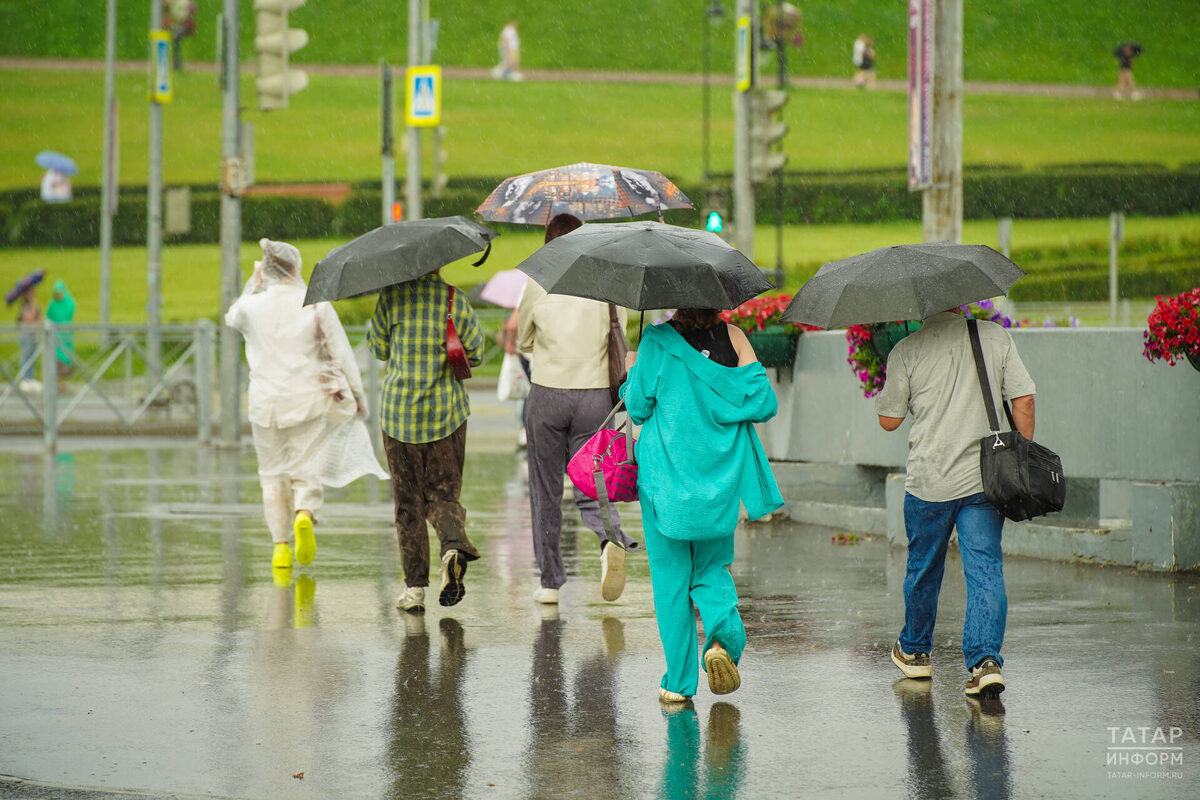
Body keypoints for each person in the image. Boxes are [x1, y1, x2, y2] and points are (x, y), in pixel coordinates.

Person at [620, 308, 783, 704]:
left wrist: (632, 370)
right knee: (711, 570)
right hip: (719, 487)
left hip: (665, 488)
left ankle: (678, 683)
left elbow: (638, 407)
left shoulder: (656, 342)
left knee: (671, 584)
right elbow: (762, 401)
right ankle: (722, 644)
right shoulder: (735, 338)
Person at [874, 307, 1037, 698]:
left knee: (923, 567)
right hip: (985, 480)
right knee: (984, 568)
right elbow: (1024, 401)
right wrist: (1023, 456)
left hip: (929, 481)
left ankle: (915, 652)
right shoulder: (993, 337)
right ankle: (985, 662)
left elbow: (889, 420)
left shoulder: (907, 350)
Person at [225, 238, 387, 572]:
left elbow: (232, 316)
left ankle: (280, 546)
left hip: (265, 404)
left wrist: (252, 286)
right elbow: (341, 353)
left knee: (271, 475)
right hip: (308, 399)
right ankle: (304, 513)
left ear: (266, 269)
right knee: (306, 467)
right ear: (296, 267)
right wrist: (357, 395)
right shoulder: (315, 304)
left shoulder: (252, 308)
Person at [517, 213, 637, 607]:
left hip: (548, 393)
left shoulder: (539, 281)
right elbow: (619, 333)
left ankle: (550, 582)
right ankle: (609, 540)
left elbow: (523, 340)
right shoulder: (604, 281)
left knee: (546, 489)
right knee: (595, 479)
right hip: (594, 397)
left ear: (549, 243)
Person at [367, 264, 485, 614]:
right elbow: (476, 352)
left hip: (398, 416)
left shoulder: (391, 297)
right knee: (444, 495)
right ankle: (452, 547)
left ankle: (414, 589)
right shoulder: (453, 299)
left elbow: (377, 347)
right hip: (445, 417)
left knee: (408, 506)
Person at [45, 279, 75, 388]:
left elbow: (70, 313)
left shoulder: (69, 302)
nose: (59, 295)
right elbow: (49, 317)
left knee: (65, 359)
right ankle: (59, 383)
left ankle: (62, 382)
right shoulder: (52, 304)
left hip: (65, 337)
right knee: (56, 360)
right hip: (55, 336)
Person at [14, 284, 42, 391]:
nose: (33, 294)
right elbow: (27, 318)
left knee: (32, 357)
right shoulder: (24, 305)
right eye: (30, 292)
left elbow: (39, 318)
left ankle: (30, 378)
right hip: (25, 335)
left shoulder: (35, 305)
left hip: (34, 334)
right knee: (25, 356)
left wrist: (36, 313)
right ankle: (24, 378)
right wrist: (34, 310)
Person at [163, 0, 197, 72]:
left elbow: (192, 11)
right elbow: (164, 5)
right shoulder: (171, 3)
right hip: (175, 24)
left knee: (176, 38)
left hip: (183, 25)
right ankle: (167, 62)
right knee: (167, 35)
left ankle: (176, 63)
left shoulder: (185, 2)